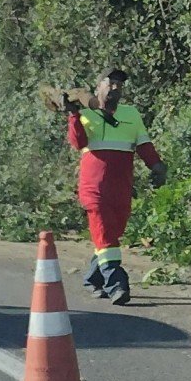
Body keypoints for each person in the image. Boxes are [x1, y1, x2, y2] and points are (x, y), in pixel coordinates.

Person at [64, 67, 166, 304]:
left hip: (121, 189)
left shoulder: (131, 114)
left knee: (111, 235)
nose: (115, 87)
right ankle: (117, 283)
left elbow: (144, 145)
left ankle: (93, 279)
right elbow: (78, 143)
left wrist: (157, 166)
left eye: (119, 84)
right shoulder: (86, 114)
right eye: (110, 83)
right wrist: (73, 115)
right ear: (98, 86)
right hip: (95, 189)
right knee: (106, 236)